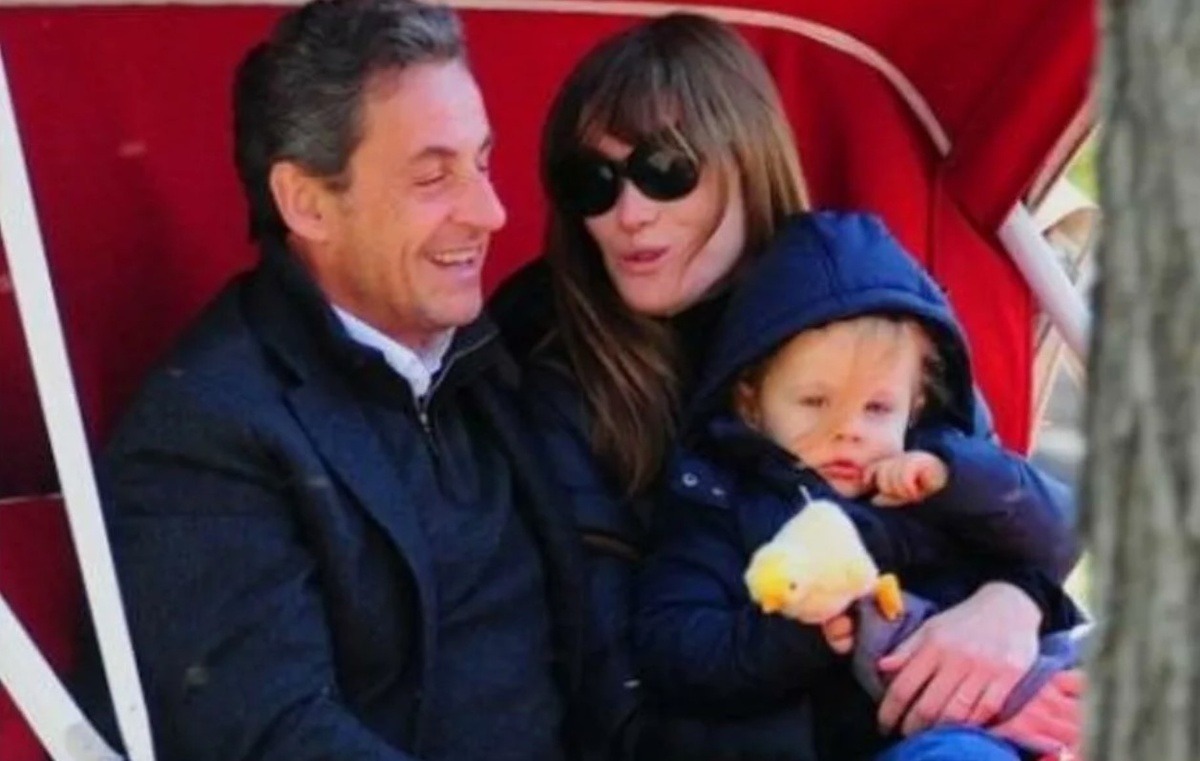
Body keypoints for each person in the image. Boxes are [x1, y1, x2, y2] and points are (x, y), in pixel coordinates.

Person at [491, 11, 1082, 760]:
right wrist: (918, 703)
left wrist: (1014, 604)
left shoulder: (861, 304)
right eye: (593, 183)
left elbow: (1021, 512)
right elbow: (621, 708)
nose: (629, 215)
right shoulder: (555, 386)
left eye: (665, 171)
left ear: (747, 160)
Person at [75, 2, 594, 760]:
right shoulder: (204, 433)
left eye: (481, 163)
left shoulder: (506, 350)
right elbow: (275, 736)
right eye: (433, 176)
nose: (491, 211)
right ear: (307, 203)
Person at [633, 210, 1086, 761]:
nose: (847, 430)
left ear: (915, 403)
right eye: (815, 402)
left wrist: (960, 477)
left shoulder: (939, 470)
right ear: (750, 402)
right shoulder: (723, 501)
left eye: (877, 408)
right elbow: (673, 646)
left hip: (1030, 692)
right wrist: (797, 632)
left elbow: (1062, 529)